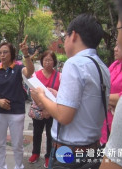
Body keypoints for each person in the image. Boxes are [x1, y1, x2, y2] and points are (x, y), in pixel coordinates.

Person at [30, 14, 110, 169]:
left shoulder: (74, 64)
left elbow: (63, 116)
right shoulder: (102, 67)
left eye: (64, 36)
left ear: (73, 35)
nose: (64, 41)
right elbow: (86, 105)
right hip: (93, 150)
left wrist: (41, 96)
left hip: (69, 153)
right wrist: (57, 96)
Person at [0, 35, 35, 169]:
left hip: (16, 112)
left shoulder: (19, 69)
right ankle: (1, 166)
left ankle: (18, 166)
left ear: (12, 53)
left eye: (5, 52)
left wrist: (26, 54)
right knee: (0, 143)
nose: (2, 55)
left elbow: (30, 71)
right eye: (0, 52)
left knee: (17, 143)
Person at [100, 0, 122, 168]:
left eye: (118, 30)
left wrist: (99, 96)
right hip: (108, 122)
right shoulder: (115, 65)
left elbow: (120, 97)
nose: (115, 47)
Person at [28, 50, 61, 168]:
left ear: (54, 61)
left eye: (50, 60)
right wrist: (43, 107)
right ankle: (35, 153)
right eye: (45, 60)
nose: (47, 62)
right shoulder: (36, 75)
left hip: (52, 111)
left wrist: (48, 109)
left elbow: (61, 94)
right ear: (42, 61)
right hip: (39, 109)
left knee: (50, 134)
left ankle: (48, 156)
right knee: (37, 132)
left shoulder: (59, 76)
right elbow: (32, 92)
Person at [100, 43, 122, 146]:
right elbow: (101, 86)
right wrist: (110, 100)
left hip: (121, 124)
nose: (115, 49)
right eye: (115, 45)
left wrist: (102, 98)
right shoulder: (115, 64)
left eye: (119, 46)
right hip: (105, 122)